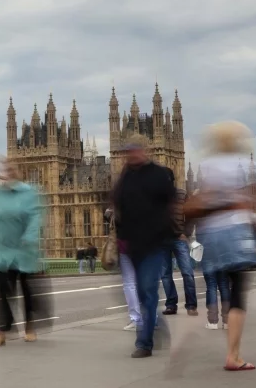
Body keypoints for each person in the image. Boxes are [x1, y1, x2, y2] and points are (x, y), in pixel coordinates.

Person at [186, 121, 256, 372]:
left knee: (212, 282)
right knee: (236, 290)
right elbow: (245, 203)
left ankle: (207, 323)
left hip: (211, 235)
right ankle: (233, 354)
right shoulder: (240, 166)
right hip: (235, 234)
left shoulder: (207, 166)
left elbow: (202, 200)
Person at [110, 134, 177, 358]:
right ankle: (156, 326)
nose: (131, 154)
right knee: (141, 294)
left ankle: (144, 343)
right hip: (131, 245)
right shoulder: (125, 177)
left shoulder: (158, 175)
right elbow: (116, 204)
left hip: (153, 243)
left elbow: (170, 205)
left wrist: (168, 233)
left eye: (135, 150)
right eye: (128, 151)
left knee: (148, 291)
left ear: (144, 150)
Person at [0, 157, 43, 347]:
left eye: (10, 170)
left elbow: (34, 218)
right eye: (4, 170)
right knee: (0, 293)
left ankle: (29, 327)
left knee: (26, 290)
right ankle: (0, 332)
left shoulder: (28, 192)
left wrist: (30, 238)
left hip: (23, 251)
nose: (7, 173)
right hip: (0, 252)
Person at [161, 188, 199, 316]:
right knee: (165, 276)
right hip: (161, 240)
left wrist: (186, 233)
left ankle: (191, 305)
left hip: (179, 239)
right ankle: (171, 305)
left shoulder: (182, 194)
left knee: (187, 272)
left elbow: (191, 214)